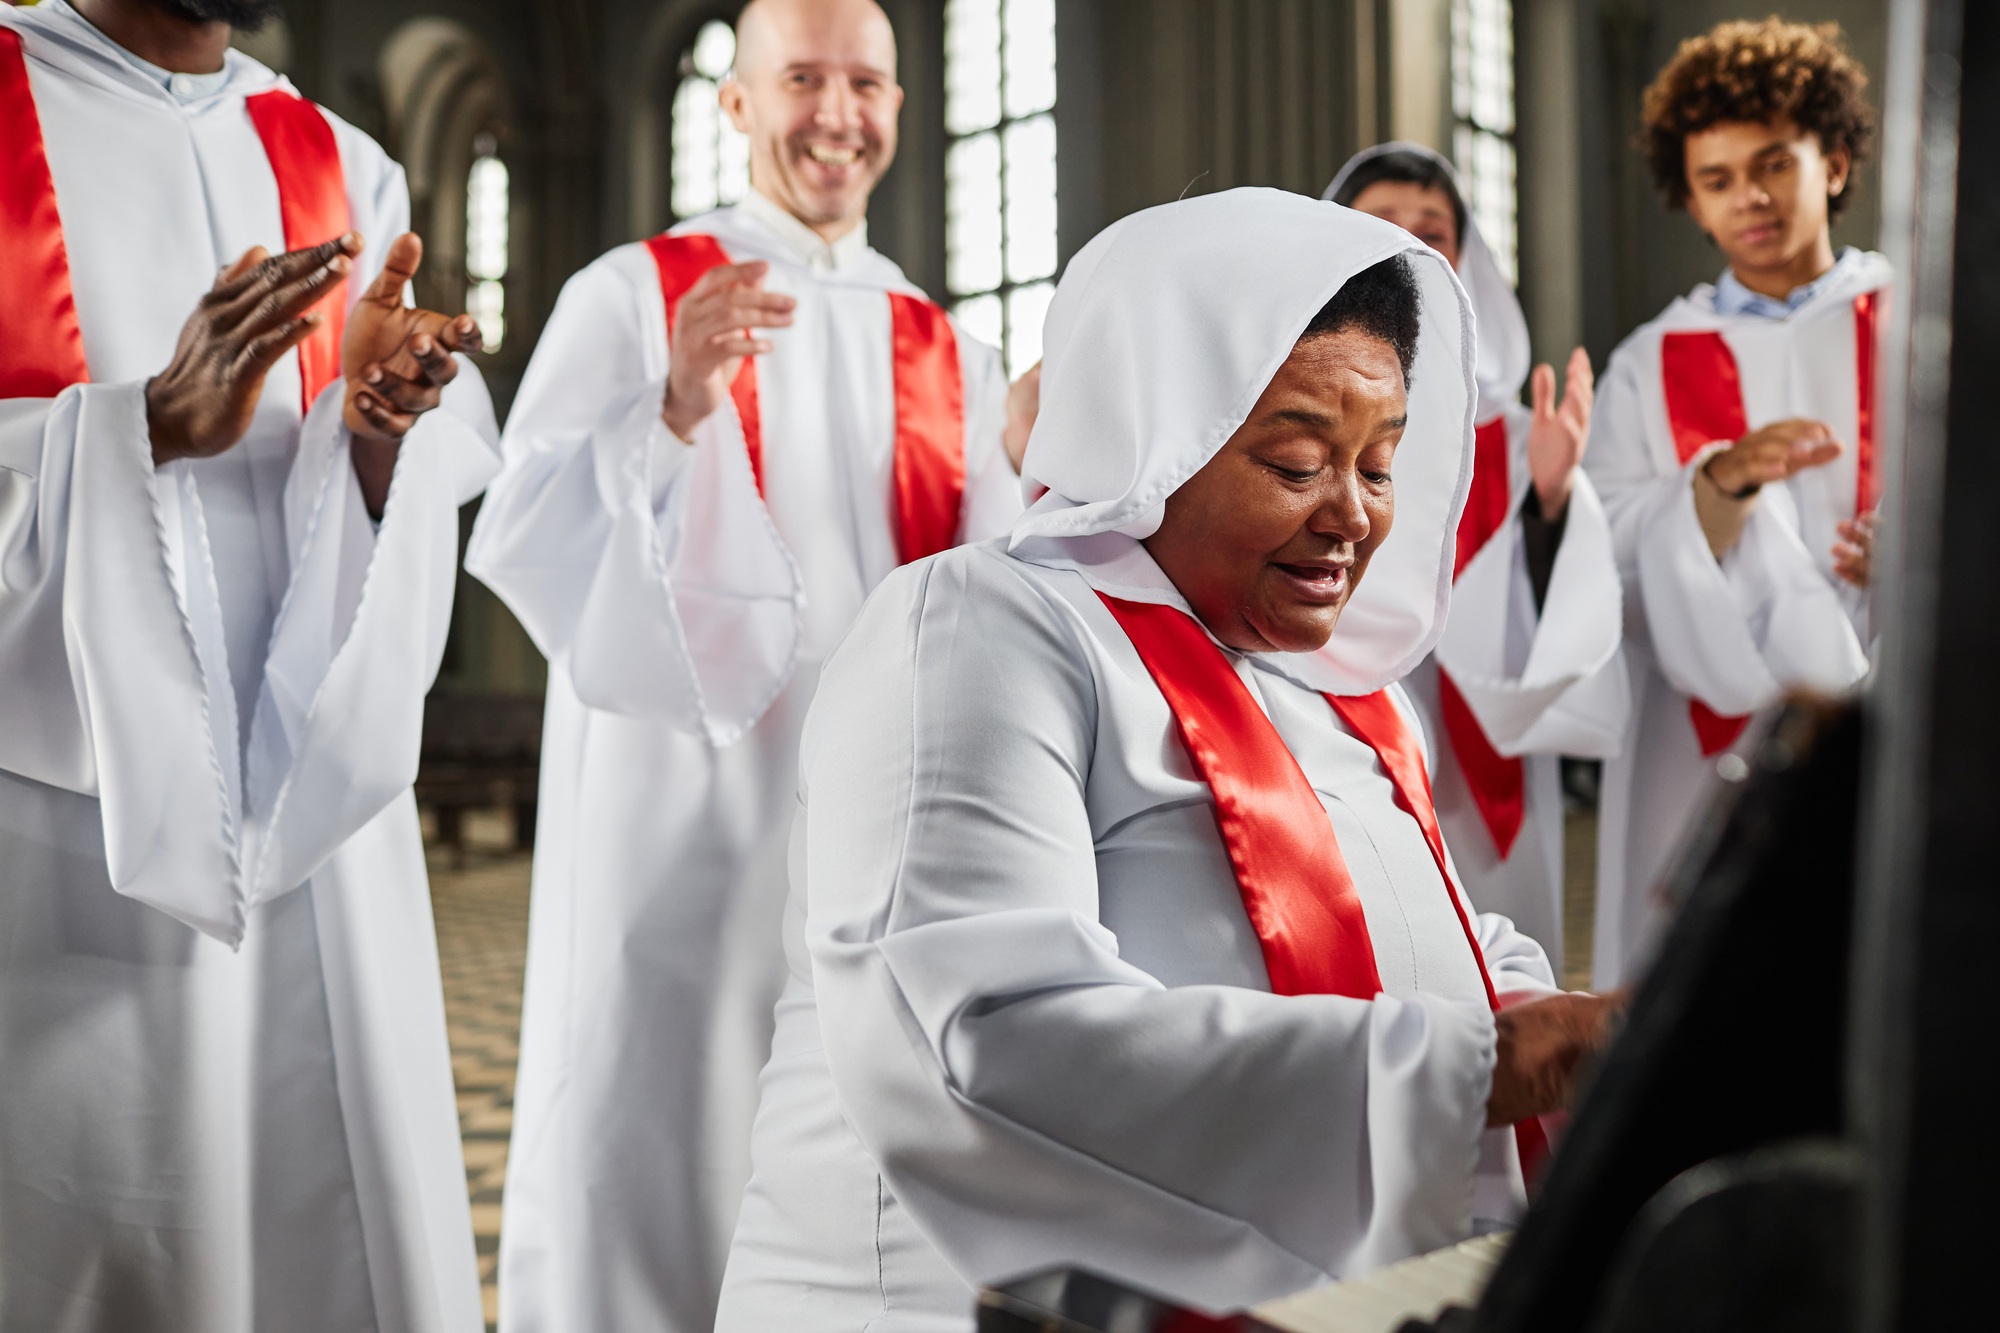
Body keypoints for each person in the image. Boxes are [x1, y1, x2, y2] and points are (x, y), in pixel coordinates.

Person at [714, 188, 1623, 1330]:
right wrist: (1487, 1064)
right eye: (1297, 462)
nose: (1351, 515)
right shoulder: (977, 626)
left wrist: (1578, 1033)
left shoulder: (1347, 691)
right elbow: (984, 1043)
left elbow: (1426, 931)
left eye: (1379, 465)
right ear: (1158, 436)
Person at [463, 0, 1020, 1328]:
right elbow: (527, 528)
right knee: (656, 1121)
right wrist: (667, 411)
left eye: (868, 82)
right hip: (679, 822)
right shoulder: (634, 290)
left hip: (877, 835)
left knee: (854, 1150)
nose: (839, 113)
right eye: (804, 79)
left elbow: (998, 598)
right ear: (735, 103)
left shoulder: (952, 347)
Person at [0, 2, 501, 1330]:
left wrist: (384, 430)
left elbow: (415, 493)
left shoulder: (341, 159)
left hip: (316, 845)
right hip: (52, 846)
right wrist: (142, 430)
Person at [1586, 18, 1879, 988]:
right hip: (1705, 747)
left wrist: (1924, 554)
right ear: (1690, 202)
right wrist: (1713, 489)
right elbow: (1605, 559)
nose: (1747, 197)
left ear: (1831, 163)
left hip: (1901, 706)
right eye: (1715, 180)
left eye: (1771, 165)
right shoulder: (1645, 364)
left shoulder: (1925, 315)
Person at [1327, 144, 1625, 967]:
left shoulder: (1511, 429)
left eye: (1437, 230)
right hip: (1341, 720)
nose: (1417, 246)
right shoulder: (1295, 402)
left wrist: (1553, 501)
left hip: (1481, 736)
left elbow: (1563, 602)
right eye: (1385, 224)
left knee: (1506, 959)